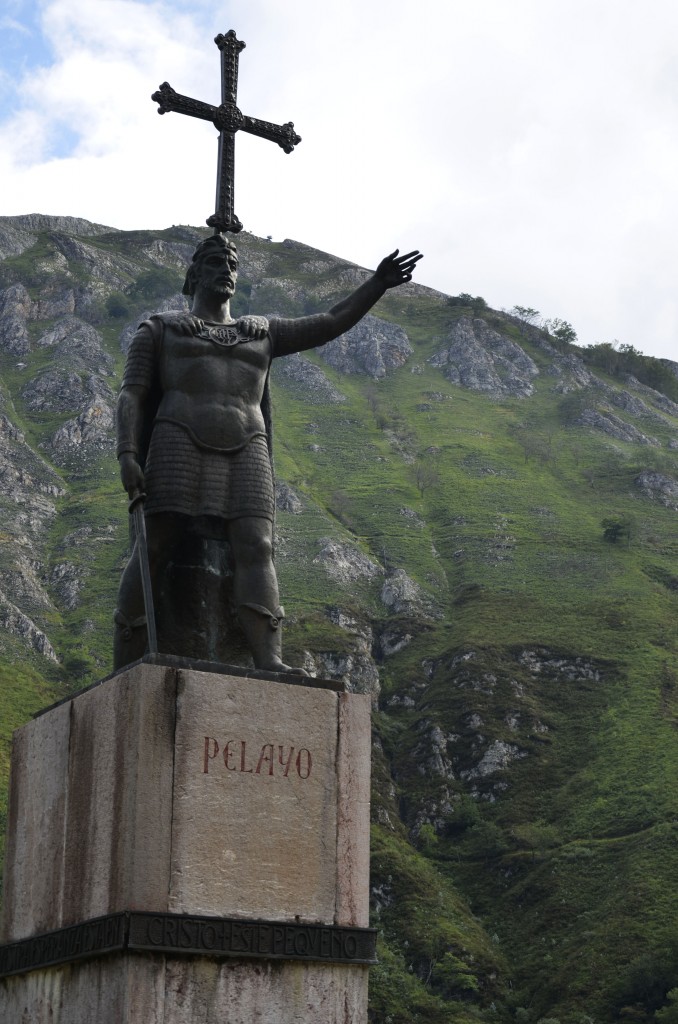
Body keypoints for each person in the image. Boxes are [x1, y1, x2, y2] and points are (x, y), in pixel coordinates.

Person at [114, 235, 422, 673]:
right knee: (155, 545)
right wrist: (128, 453)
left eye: (233, 263)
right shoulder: (160, 329)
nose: (227, 269)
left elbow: (331, 321)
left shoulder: (261, 332)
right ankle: (127, 657)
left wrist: (377, 284)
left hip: (247, 447)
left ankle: (269, 660)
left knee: (257, 546)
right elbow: (133, 394)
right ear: (195, 273)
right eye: (217, 261)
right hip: (177, 440)